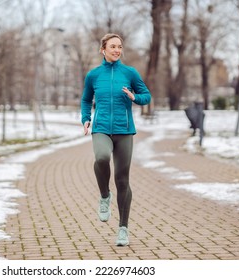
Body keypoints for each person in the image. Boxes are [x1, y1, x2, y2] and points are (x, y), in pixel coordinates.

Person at [81, 33, 151, 246]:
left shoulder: (129, 73)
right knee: (101, 157)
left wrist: (134, 97)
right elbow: (85, 100)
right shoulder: (93, 75)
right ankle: (104, 196)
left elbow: (146, 95)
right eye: (112, 46)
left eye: (119, 47)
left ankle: (123, 228)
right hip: (101, 128)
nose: (117, 50)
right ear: (103, 49)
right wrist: (86, 118)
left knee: (123, 180)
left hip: (124, 131)